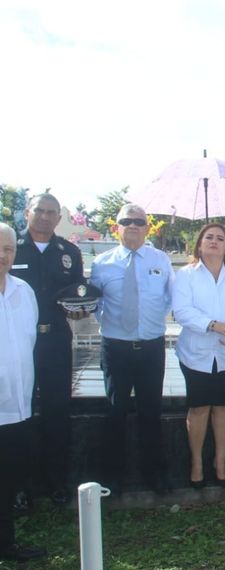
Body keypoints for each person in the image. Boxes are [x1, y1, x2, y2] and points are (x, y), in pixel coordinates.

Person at [89, 204, 174, 495]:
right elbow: (94, 303)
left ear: (147, 227)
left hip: (150, 348)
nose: (133, 226)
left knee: (151, 411)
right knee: (115, 412)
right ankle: (112, 477)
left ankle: (156, 475)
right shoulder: (102, 263)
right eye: (127, 221)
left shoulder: (161, 260)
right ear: (117, 227)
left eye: (139, 221)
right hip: (116, 348)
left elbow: (170, 299)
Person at [10, 193, 85, 506]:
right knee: (17, 413)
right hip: (16, 343)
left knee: (57, 412)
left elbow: (80, 297)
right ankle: (18, 487)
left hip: (55, 341)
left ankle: (57, 483)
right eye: (38, 210)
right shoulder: (11, 247)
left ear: (59, 218)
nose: (44, 216)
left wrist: (80, 310)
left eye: (50, 212)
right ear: (28, 212)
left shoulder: (68, 252)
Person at [173, 223, 225, 488]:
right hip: (196, 353)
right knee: (198, 409)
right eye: (208, 237)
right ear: (199, 244)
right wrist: (213, 324)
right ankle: (197, 462)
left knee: (223, 408)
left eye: (220, 238)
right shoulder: (186, 275)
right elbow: (182, 311)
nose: (214, 241)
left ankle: (220, 462)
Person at [0, 222, 46, 562]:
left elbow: (27, 344)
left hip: (18, 407)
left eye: (8, 249)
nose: (2, 256)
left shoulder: (23, 291)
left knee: (8, 478)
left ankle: (7, 544)